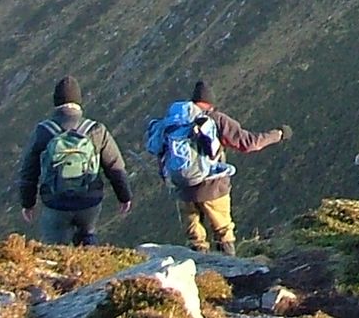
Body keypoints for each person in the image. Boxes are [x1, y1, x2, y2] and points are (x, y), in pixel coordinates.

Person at [157, 80, 290, 256]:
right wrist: (278, 134)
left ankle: (201, 277)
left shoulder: (174, 122)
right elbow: (249, 143)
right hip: (213, 187)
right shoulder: (216, 120)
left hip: (183, 188)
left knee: (195, 239)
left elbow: (160, 151)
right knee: (223, 232)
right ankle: (229, 273)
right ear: (211, 103)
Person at [18, 76, 132, 246]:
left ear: (56, 102)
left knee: (55, 247)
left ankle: (59, 265)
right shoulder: (96, 130)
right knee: (87, 234)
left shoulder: (44, 131)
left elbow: (29, 171)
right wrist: (124, 197)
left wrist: (28, 203)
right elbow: (115, 167)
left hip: (55, 202)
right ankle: (91, 262)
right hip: (89, 200)